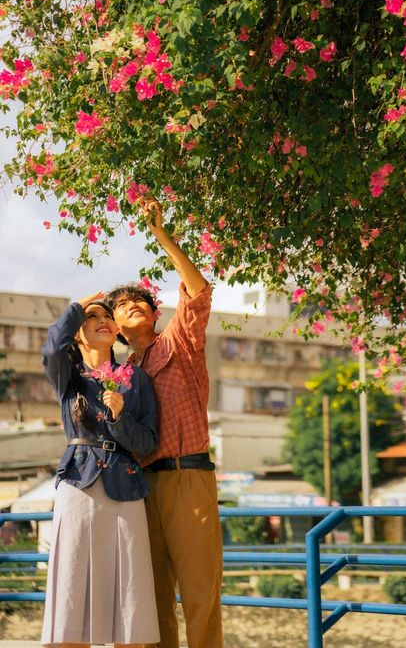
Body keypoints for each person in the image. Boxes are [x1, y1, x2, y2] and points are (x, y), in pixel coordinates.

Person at [104, 198, 223, 648]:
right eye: (122, 305)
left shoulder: (178, 339)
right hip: (141, 487)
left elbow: (198, 291)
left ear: (155, 314)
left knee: (199, 596)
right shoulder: (123, 373)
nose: (133, 304)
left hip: (188, 477)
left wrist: (162, 235)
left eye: (141, 301)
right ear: (114, 326)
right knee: (151, 606)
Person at [41, 293, 160, 648]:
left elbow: (148, 441)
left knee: (130, 596)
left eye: (108, 315)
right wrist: (78, 307)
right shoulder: (68, 376)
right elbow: (50, 348)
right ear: (78, 332)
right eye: (94, 317)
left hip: (125, 486)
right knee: (72, 591)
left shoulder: (136, 379)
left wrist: (121, 416)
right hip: (78, 482)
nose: (104, 319)